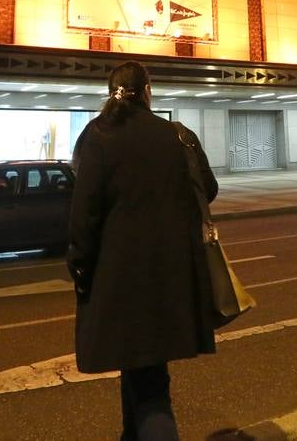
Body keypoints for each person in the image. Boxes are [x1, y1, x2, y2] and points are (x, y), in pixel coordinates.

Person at [68, 60, 217, 440]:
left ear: (111, 92)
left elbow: (84, 215)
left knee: (148, 385)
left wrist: (80, 270)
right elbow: (209, 190)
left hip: (118, 281)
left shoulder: (97, 136)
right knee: (144, 371)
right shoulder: (177, 136)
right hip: (171, 275)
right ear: (148, 91)